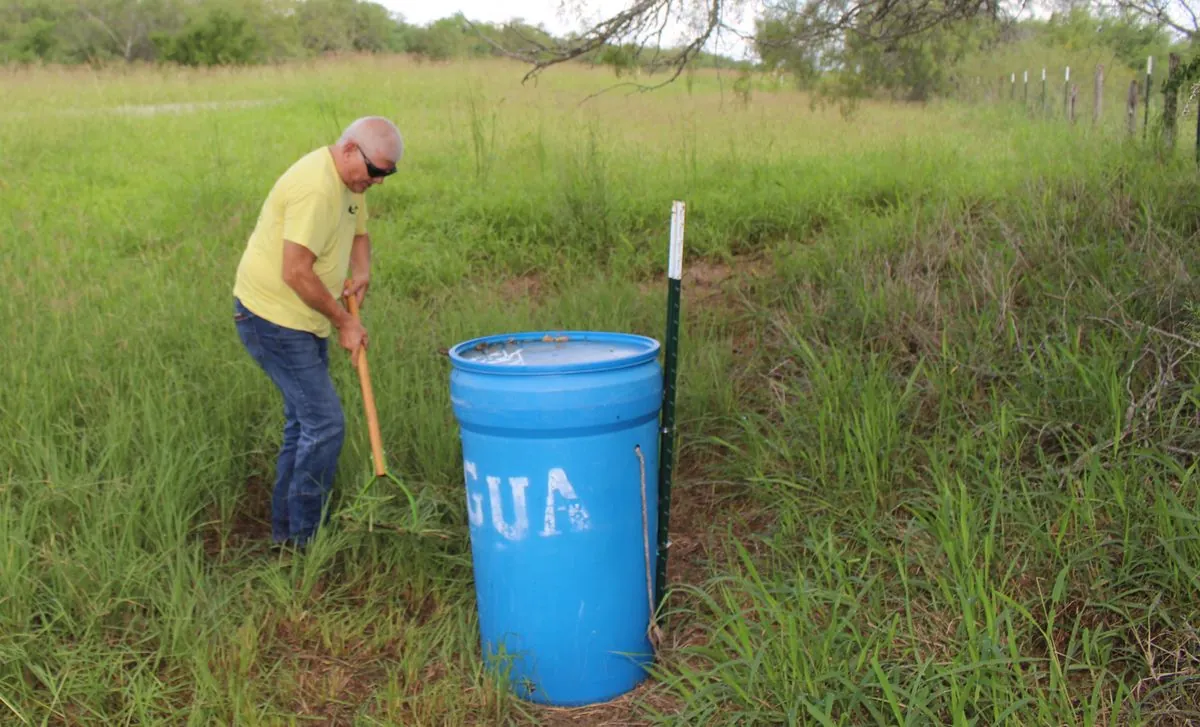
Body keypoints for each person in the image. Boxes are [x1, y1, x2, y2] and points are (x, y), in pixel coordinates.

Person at [231, 116, 403, 549]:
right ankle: (308, 538)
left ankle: (287, 534)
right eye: (375, 171)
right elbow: (295, 272)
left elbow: (358, 230)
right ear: (349, 149)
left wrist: (361, 271)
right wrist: (345, 322)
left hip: (303, 317)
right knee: (324, 425)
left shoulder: (351, 182)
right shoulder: (316, 188)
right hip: (272, 318)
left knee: (302, 424)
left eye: (387, 173)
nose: (378, 181)